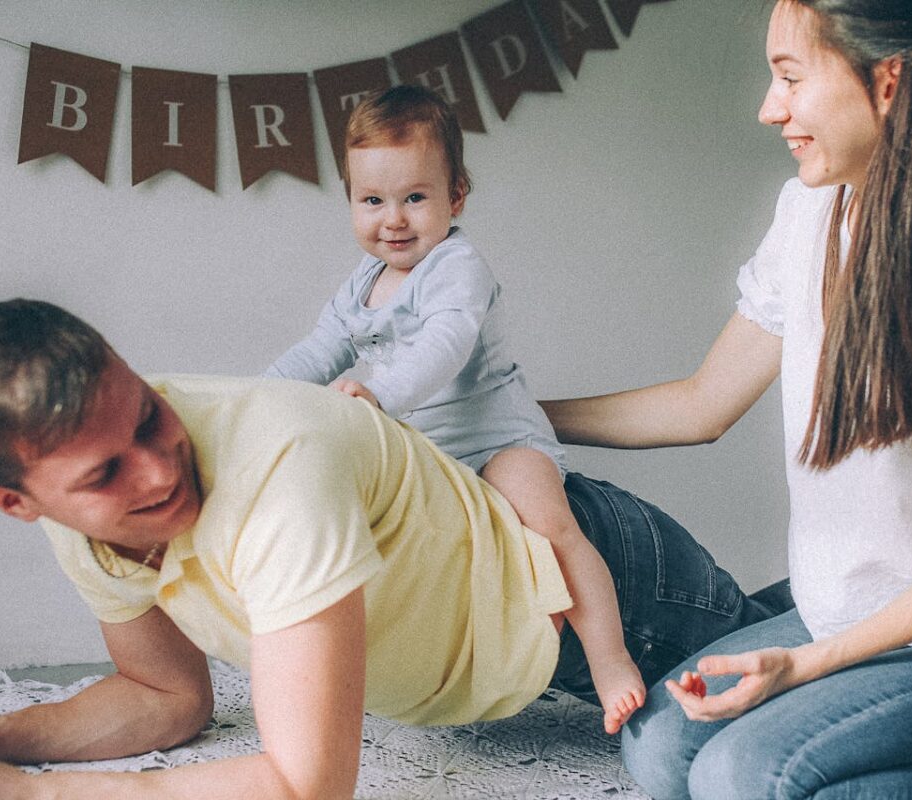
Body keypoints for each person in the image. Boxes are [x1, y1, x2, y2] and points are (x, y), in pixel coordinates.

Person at [541, 2, 912, 798]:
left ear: (887, 81)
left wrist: (806, 665)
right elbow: (703, 404)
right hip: (840, 612)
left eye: (791, 78)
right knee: (661, 753)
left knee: (745, 778)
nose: (770, 108)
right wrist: (516, 416)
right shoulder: (809, 213)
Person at [0, 298, 782, 799]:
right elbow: (164, 697)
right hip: (509, 653)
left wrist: (31, 793)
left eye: (149, 413)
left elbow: (307, 785)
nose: (156, 472)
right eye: (107, 471)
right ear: (17, 503)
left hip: (607, 583)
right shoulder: (84, 535)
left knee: (788, 681)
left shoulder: (280, 461)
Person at [265, 85, 644, 732]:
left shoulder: (455, 266)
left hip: (499, 442)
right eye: (373, 200)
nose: (395, 219)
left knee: (548, 525)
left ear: (455, 196)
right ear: (351, 202)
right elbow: (320, 350)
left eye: (415, 197)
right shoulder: (362, 284)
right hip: (430, 457)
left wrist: (380, 396)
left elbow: (444, 345)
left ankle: (611, 661)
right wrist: (259, 400)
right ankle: (449, 671)